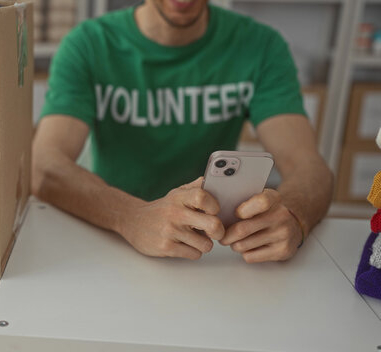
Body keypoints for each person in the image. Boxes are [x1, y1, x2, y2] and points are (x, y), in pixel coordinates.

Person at [31, 0, 333, 263]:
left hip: (211, 245)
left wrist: (294, 215)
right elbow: (44, 165)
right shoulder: (88, 44)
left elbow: (310, 167)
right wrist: (131, 216)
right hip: (109, 235)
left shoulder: (261, 45)